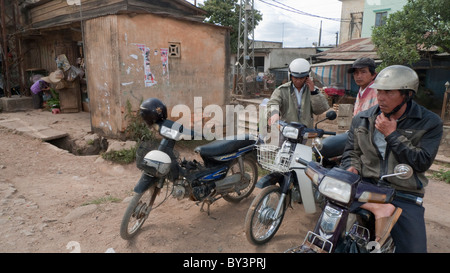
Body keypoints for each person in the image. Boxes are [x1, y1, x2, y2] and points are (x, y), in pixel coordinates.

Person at [341, 65, 443, 252]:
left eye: (388, 92)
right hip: (367, 186)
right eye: (379, 91)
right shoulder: (362, 119)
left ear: (407, 94)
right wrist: (351, 168)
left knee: (414, 250)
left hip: (404, 193)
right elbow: (351, 153)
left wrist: (392, 135)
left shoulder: (429, 122)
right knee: (336, 232)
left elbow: (422, 162)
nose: (380, 97)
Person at [267, 58, 329, 128]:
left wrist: (313, 92)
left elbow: (320, 110)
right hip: (286, 130)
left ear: (307, 77)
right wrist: (275, 113)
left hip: (305, 131)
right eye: (296, 78)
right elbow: (273, 103)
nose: (298, 81)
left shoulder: (314, 91)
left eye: (302, 78)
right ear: (290, 76)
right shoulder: (282, 90)